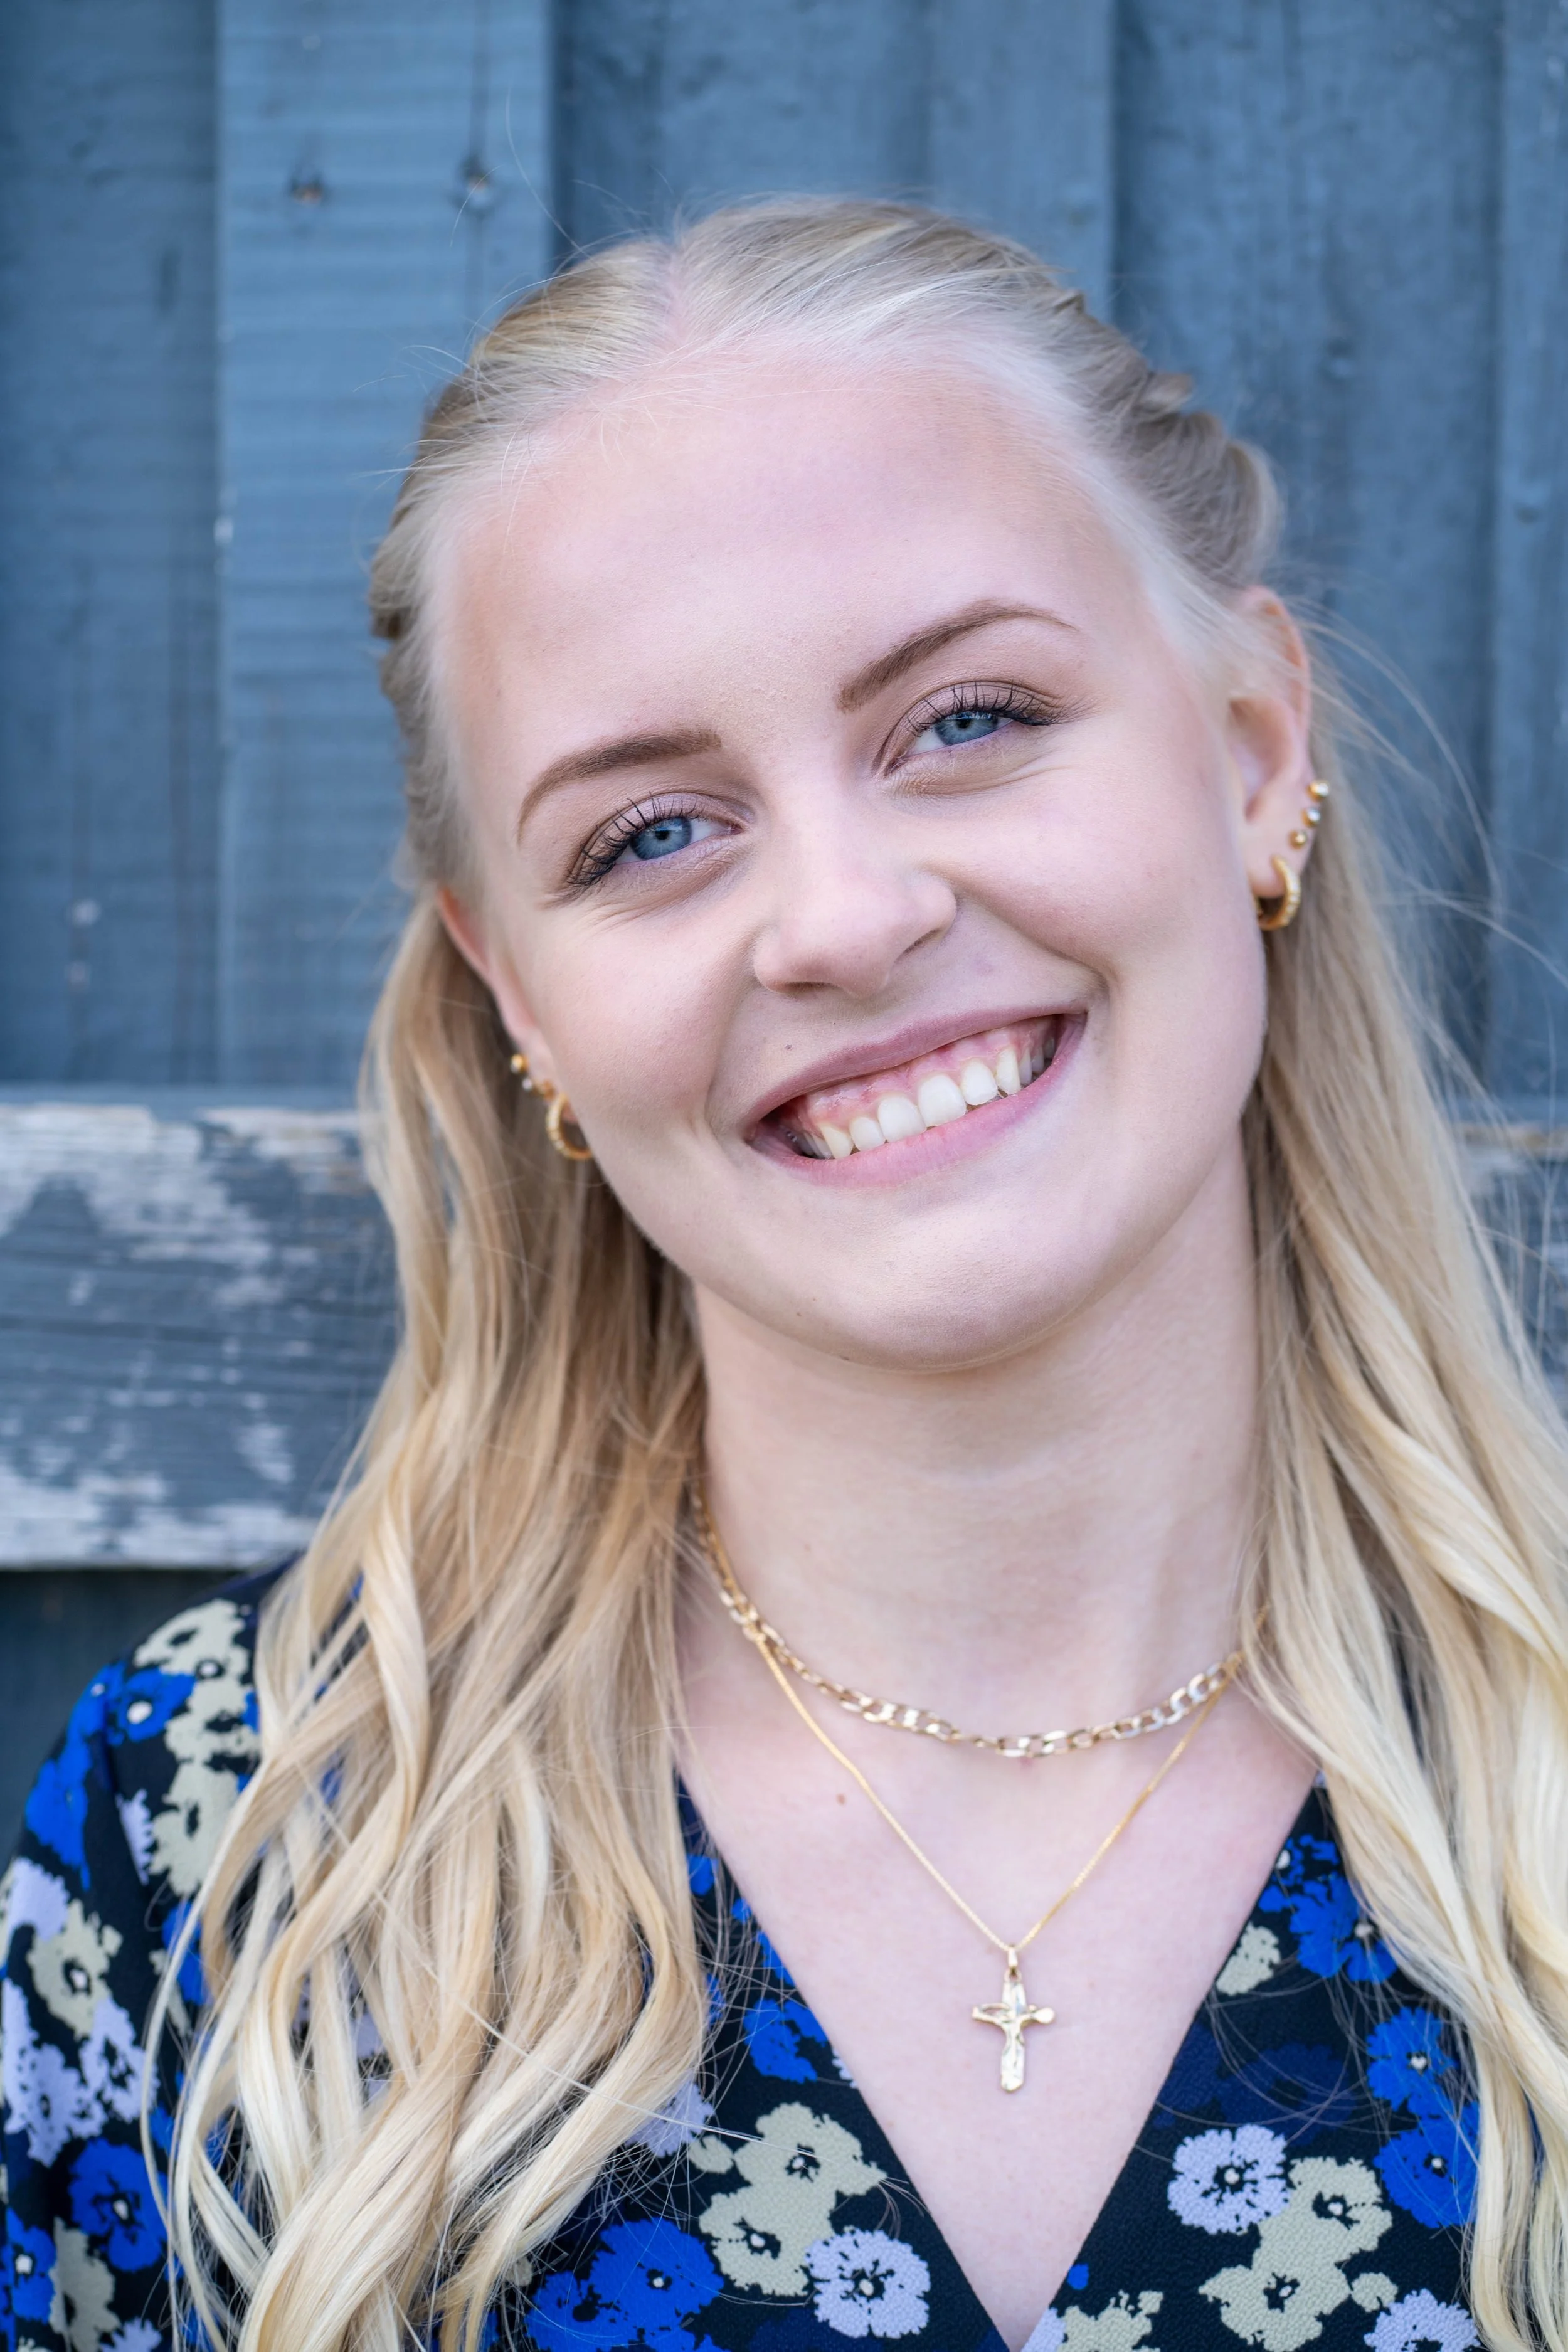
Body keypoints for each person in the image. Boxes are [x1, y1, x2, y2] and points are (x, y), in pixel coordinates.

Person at [4, 199, 1566, 2352]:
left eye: (968, 716)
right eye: (648, 834)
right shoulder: (223, 1861)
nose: (836, 915)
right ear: (518, 995)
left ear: (1249, 752)